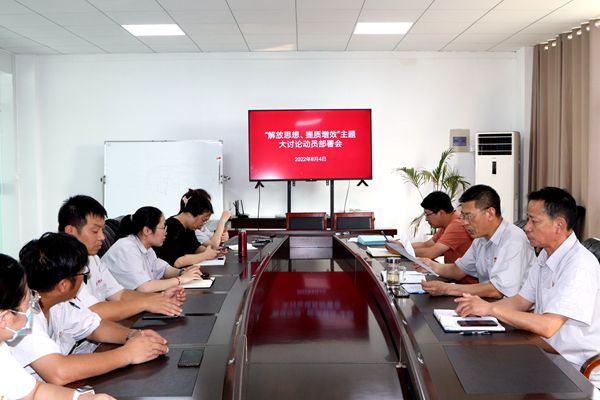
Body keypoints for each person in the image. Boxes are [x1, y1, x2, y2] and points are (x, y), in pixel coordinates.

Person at [455, 187, 600, 387]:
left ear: (559, 225)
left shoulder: (579, 265)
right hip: (546, 352)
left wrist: (490, 309)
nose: (527, 227)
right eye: (527, 219)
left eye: (534, 221)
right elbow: (521, 301)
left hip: (575, 370)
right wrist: (477, 310)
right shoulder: (546, 254)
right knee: (475, 367)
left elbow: (548, 326)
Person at [10, 233, 168, 386]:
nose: (84, 277)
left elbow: (93, 326)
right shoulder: (19, 318)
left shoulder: (56, 300)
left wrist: (132, 335)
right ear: (63, 285)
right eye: (83, 272)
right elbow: (59, 372)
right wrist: (128, 354)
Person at [0, 253, 115, 400]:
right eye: (29, 301)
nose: (33, 306)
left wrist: (82, 398)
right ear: (4, 318)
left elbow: (33, 392)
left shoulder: (2, 349)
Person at [58, 195, 185, 321]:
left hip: (102, 325)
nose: (102, 237)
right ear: (70, 231)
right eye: (95, 231)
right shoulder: (61, 266)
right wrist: (146, 303)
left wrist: (159, 298)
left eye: (103, 230)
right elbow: (93, 312)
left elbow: (119, 294)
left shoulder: (93, 259)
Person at [417, 184, 535, 298]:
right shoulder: (480, 239)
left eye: (469, 216)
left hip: (512, 308)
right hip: (489, 304)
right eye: (463, 216)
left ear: (490, 213)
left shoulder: (513, 239)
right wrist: (431, 265)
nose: (464, 222)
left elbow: (497, 291)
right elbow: (458, 271)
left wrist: (447, 288)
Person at [102, 206, 204, 292]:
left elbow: (163, 269)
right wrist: (180, 279)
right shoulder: (126, 248)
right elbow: (145, 287)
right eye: (163, 227)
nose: (166, 232)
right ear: (147, 230)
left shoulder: (147, 247)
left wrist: (182, 272)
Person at [394, 191, 472, 263]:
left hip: (459, 274)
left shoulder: (457, 224)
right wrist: (402, 245)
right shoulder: (447, 222)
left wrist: (401, 250)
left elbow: (431, 253)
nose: (426, 219)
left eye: (427, 214)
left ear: (441, 213)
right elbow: (426, 245)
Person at [154, 189, 220, 268]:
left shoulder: (189, 227)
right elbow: (177, 261)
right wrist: (205, 255)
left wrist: (214, 252)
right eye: (203, 220)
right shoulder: (172, 227)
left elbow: (195, 248)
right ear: (190, 214)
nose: (202, 225)